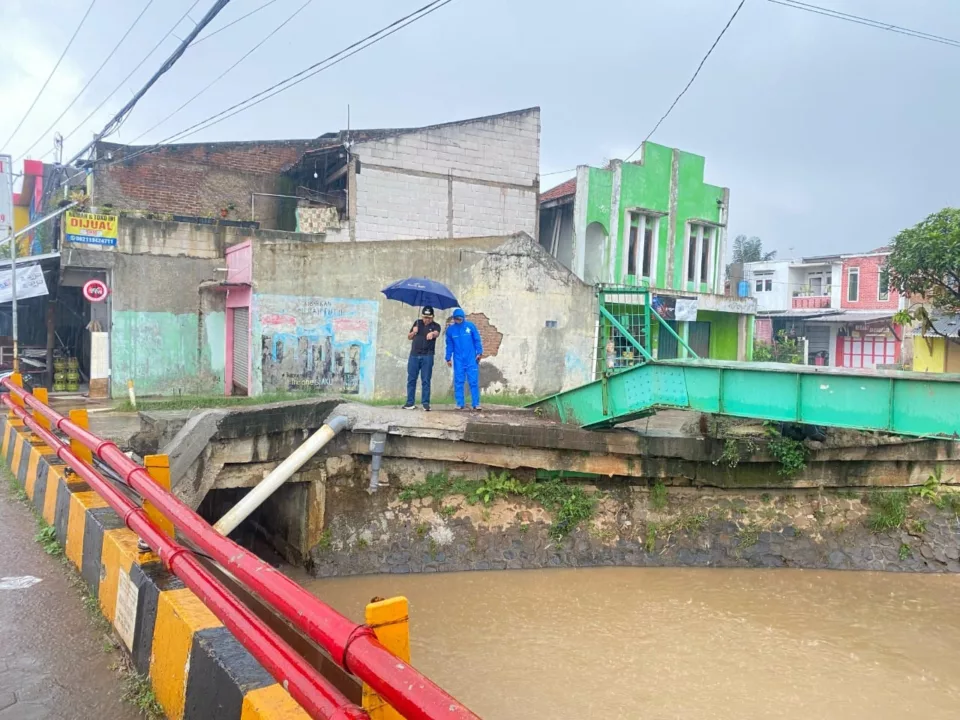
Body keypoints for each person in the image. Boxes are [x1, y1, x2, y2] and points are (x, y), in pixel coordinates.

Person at [445, 308, 483, 410]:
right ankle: (460, 403)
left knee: (473, 381)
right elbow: (449, 345)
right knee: (459, 381)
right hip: (458, 360)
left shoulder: (470, 326)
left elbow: (477, 340)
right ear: (453, 318)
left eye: (460, 319)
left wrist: (479, 352)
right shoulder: (450, 330)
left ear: (463, 318)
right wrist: (448, 358)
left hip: (471, 359)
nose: (458, 320)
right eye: (456, 319)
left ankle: (476, 403)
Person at [404, 306, 441, 410]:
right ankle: (410, 402)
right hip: (414, 355)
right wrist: (413, 332)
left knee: (426, 380)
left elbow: (436, 333)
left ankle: (425, 403)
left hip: (427, 356)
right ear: (422, 316)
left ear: (433, 317)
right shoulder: (417, 323)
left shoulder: (436, 326)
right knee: (411, 379)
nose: (426, 319)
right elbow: (409, 337)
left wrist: (432, 333)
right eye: (425, 317)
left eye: (429, 317)